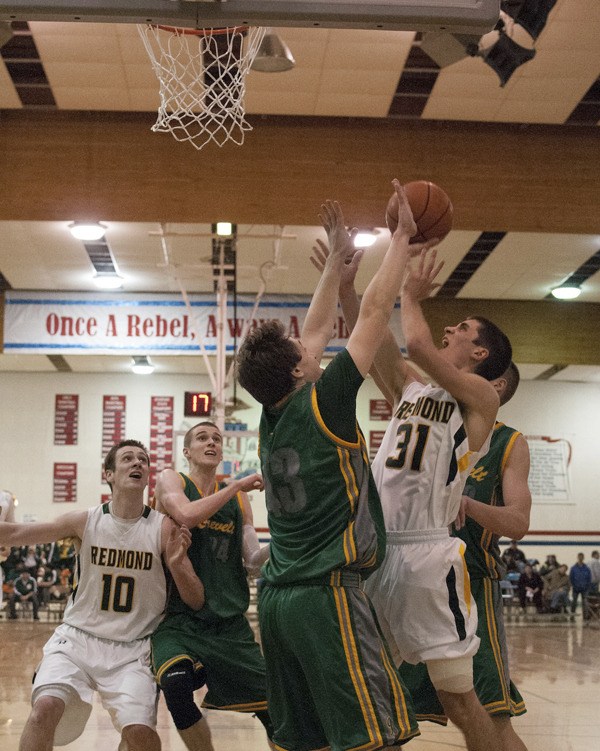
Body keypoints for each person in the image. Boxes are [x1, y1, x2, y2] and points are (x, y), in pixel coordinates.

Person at [236, 183, 422, 751]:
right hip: (326, 597)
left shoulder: (271, 415)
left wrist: (334, 261)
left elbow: (315, 329)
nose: (311, 346)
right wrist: (401, 238)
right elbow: (373, 312)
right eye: (302, 353)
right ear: (298, 372)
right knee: (375, 737)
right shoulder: (328, 401)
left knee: (303, 741)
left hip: (276, 602)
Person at [327, 224, 511, 750]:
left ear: (480, 354)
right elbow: (375, 337)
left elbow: (418, 344)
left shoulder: (480, 398)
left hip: (430, 558)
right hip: (378, 551)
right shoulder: (410, 389)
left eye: (463, 328)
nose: (452, 328)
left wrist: (410, 294)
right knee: (369, 692)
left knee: (459, 700)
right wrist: (347, 287)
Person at [0, 439, 204, 751]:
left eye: (143, 459)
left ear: (147, 476)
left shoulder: (164, 528)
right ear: (108, 474)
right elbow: (14, 534)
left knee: (141, 736)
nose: (137, 463)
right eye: (128, 458)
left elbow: (195, 599)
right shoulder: (84, 521)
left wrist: (177, 564)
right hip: (77, 639)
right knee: (44, 710)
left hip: (134, 648)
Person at [398, 363, 531, 751]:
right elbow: (388, 361)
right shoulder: (430, 425)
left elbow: (518, 523)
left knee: (492, 718)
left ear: (496, 385)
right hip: (415, 581)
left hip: (472, 585)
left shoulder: (509, 442)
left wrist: (468, 504)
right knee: (383, 711)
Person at [151, 420, 273, 751]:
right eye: (202, 438)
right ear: (186, 450)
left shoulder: (239, 501)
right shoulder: (172, 479)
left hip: (229, 626)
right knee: (176, 688)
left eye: (217, 439)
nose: (211, 443)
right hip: (179, 621)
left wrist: (287, 540)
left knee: (276, 710)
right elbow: (186, 514)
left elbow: (252, 560)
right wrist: (236, 486)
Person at [569, 552, 592, 620]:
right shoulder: (573, 568)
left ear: (583, 558)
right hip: (575, 588)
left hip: (585, 588)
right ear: (577, 557)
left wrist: (588, 587)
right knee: (574, 602)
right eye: (579, 557)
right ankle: (572, 616)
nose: (580, 558)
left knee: (585, 603)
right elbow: (570, 578)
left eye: (582, 557)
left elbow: (589, 578)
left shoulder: (587, 568)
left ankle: (585, 617)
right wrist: (572, 585)